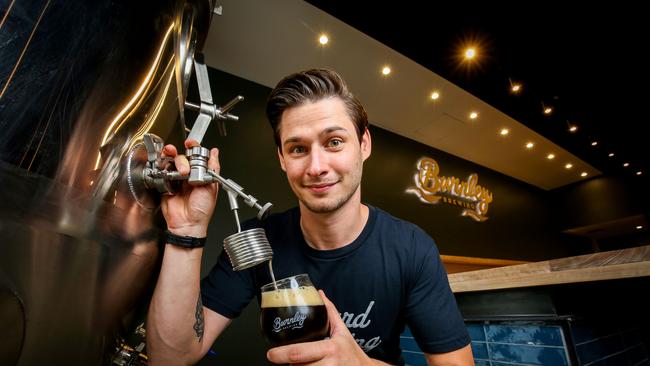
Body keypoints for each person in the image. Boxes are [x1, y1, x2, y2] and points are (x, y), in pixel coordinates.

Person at [147, 69, 474, 365]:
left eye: (334, 142)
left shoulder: (412, 248)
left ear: (364, 144)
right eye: (298, 149)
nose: (316, 167)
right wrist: (187, 230)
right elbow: (170, 358)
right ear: (282, 158)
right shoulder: (260, 240)